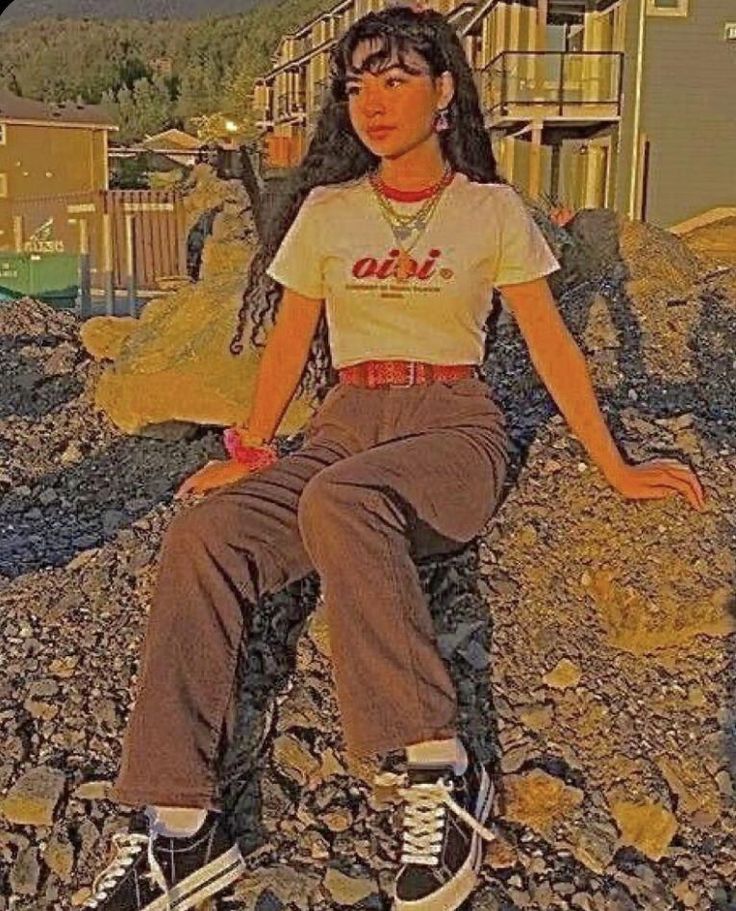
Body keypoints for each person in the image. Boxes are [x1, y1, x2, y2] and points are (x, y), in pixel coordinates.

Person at [80, 5, 706, 911]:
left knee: (343, 501)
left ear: (444, 91)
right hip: (343, 424)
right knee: (208, 532)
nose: (373, 101)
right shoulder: (329, 213)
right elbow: (290, 341)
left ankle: (441, 765)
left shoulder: (491, 209)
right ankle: (179, 825)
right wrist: (250, 451)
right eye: (357, 83)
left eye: (396, 78)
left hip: (452, 426)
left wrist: (615, 465)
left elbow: (551, 345)